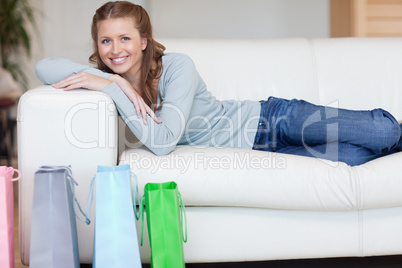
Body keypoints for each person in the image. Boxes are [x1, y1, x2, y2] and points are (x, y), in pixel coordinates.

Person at [35, 1, 402, 166]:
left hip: (273, 118)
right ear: (97, 45)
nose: (115, 50)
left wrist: (116, 87)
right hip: (259, 152)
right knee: (354, 157)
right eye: (105, 41)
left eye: (125, 38)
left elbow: (163, 142)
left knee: (384, 136)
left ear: (144, 40)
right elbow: (44, 67)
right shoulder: (109, 81)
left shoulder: (178, 67)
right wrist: (118, 84)